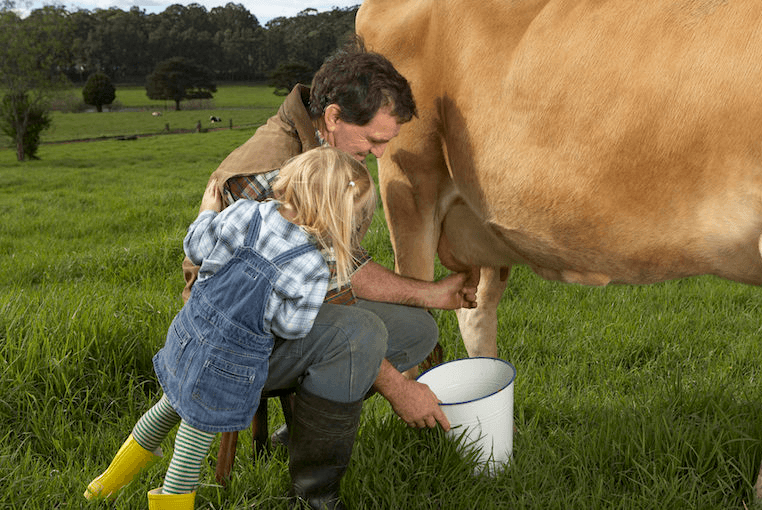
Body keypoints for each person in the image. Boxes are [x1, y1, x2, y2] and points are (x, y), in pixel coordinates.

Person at [183, 36, 478, 456]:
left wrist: (432, 294)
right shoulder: (277, 171)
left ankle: (303, 427)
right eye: (373, 141)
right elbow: (323, 292)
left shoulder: (321, 148)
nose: (378, 154)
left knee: (418, 329)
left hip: (276, 311)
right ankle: (314, 488)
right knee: (358, 333)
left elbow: (342, 266)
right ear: (335, 116)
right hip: (231, 341)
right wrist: (398, 387)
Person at [84, 147, 381, 508]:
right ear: (341, 215)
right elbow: (293, 326)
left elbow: (196, 248)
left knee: (165, 410)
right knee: (190, 450)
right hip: (228, 364)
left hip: (188, 337)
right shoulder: (312, 266)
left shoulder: (245, 212)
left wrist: (206, 213)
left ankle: (102, 486)